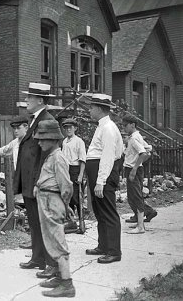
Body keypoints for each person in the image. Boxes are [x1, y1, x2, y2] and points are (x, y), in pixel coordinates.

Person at [14, 82, 58, 279]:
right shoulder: (35, 120)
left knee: (45, 224)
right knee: (34, 222)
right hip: (30, 182)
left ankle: (53, 264)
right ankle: (38, 258)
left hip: (38, 183)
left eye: (29, 98)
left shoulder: (47, 120)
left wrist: (38, 183)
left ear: (40, 100)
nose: (26, 101)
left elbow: (46, 157)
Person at [33, 120, 75, 298]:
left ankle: (67, 284)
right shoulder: (51, 156)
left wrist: (65, 207)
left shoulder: (58, 157)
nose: (40, 142)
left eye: (44, 138)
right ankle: (59, 276)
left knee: (57, 242)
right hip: (46, 199)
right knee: (50, 240)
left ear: (53, 139)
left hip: (52, 201)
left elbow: (66, 186)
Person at [85, 94, 124, 264]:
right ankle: (103, 245)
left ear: (100, 109)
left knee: (108, 211)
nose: (89, 109)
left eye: (92, 107)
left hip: (104, 173)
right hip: (99, 172)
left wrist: (101, 181)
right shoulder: (102, 126)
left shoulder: (108, 128)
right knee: (100, 211)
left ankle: (114, 251)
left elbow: (108, 156)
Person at [122, 114, 157, 233]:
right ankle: (139, 222)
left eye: (125, 125)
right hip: (135, 168)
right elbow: (148, 150)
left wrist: (134, 168)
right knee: (133, 196)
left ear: (132, 125)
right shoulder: (137, 136)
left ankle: (141, 227)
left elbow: (143, 153)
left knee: (136, 197)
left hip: (132, 169)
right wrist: (140, 163)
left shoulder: (133, 138)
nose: (124, 128)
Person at [61, 118, 86, 231]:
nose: (68, 130)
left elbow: (82, 160)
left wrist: (80, 175)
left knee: (77, 197)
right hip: (65, 169)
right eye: (66, 128)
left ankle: (81, 221)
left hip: (75, 170)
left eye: (70, 127)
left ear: (75, 128)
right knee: (67, 196)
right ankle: (71, 222)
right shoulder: (64, 141)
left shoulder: (79, 141)